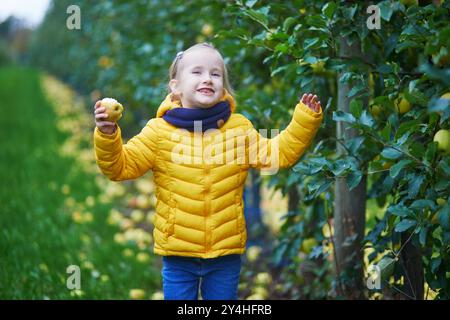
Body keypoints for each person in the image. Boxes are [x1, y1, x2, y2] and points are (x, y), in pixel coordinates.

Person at [93, 42, 323, 300]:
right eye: (197, 72)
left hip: (226, 253)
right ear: (175, 86)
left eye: (216, 74)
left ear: (223, 86)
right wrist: (107, 133)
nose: (208, 79)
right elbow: (119, 167)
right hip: (178, 252)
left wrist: (304, 120)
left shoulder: (238, 129)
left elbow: (277, 155)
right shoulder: (158, 133)